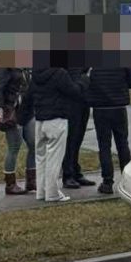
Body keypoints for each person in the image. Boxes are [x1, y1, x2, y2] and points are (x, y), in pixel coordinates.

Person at [31, 64, 85, 203]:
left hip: (40, 120)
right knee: (54, 158)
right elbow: (74, 91)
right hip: (57, 118)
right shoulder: (60, 73)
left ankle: (41, 191)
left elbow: (29, 94)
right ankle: (52, 193)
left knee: (41, 158)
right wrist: (83, 81)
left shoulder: (36, 73)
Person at [87, 58, 131, 194]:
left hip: (100, 107)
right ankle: (127, 179)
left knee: (104, 146)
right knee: (122, 144)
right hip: (119, 105)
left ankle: (107, 181)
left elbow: (86, 79)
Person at [0, 63, 35, 194]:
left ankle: (31, 181)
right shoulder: (6, 62)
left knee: (34, 143)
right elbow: (0, 87)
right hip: (11, 109)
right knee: (14, 146)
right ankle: (10, 184)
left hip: (27, 110)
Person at [62, 65, 94, 190]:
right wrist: (85, 78)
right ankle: (68, 174)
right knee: (71, 139)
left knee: (78, 139)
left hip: (84, 100)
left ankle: (75, 171)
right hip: (71, 102)